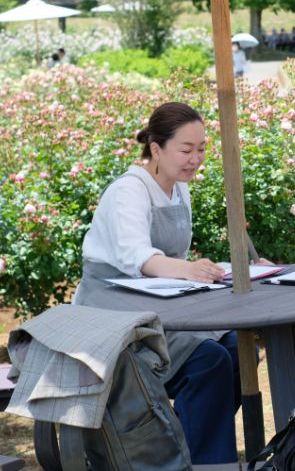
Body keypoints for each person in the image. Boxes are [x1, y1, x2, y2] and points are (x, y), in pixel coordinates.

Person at [71, 102, 239, 464]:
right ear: (157, 149)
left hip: (157, 307)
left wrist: (196, 271)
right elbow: (139, 258)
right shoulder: (128, 191)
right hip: (112, 314)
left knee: (239, 346)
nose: (196, 158)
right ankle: (192, 459)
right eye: (186, 149)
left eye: (201, 148)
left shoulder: (179, 188)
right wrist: (187, 269)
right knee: (209, 360)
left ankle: (192, 450)